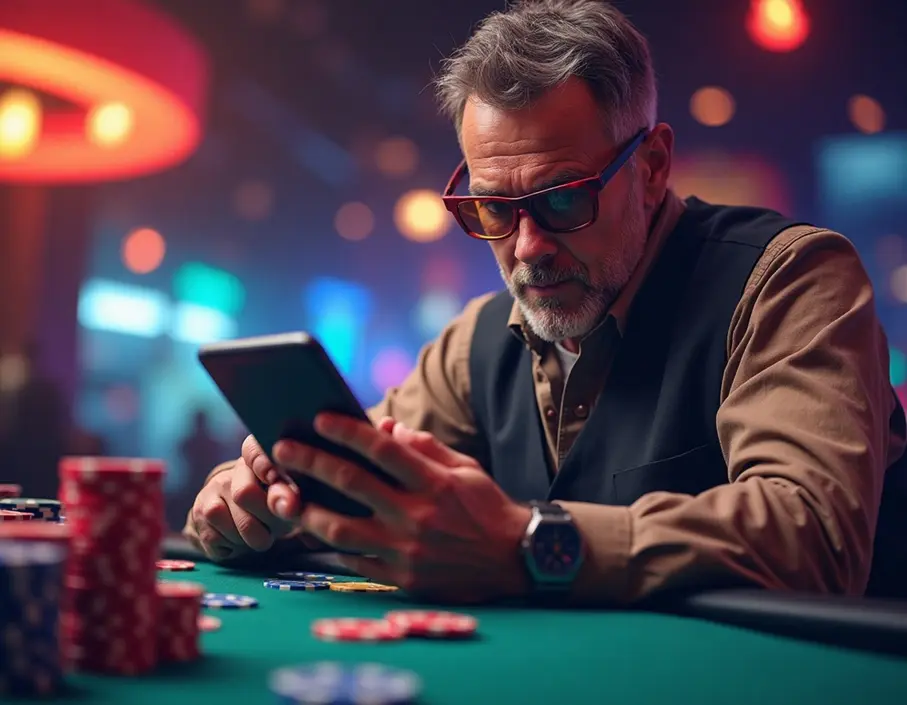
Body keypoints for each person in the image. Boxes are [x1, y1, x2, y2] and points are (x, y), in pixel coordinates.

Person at [184, 0, 907, 604]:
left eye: (563, 198)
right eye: (493, 208)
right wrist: (255, 498)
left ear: (652, 167)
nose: (527, 247)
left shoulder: (790, 278)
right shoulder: (474, 342)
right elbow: (361, 483)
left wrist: (528, 542)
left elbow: (818, 539)